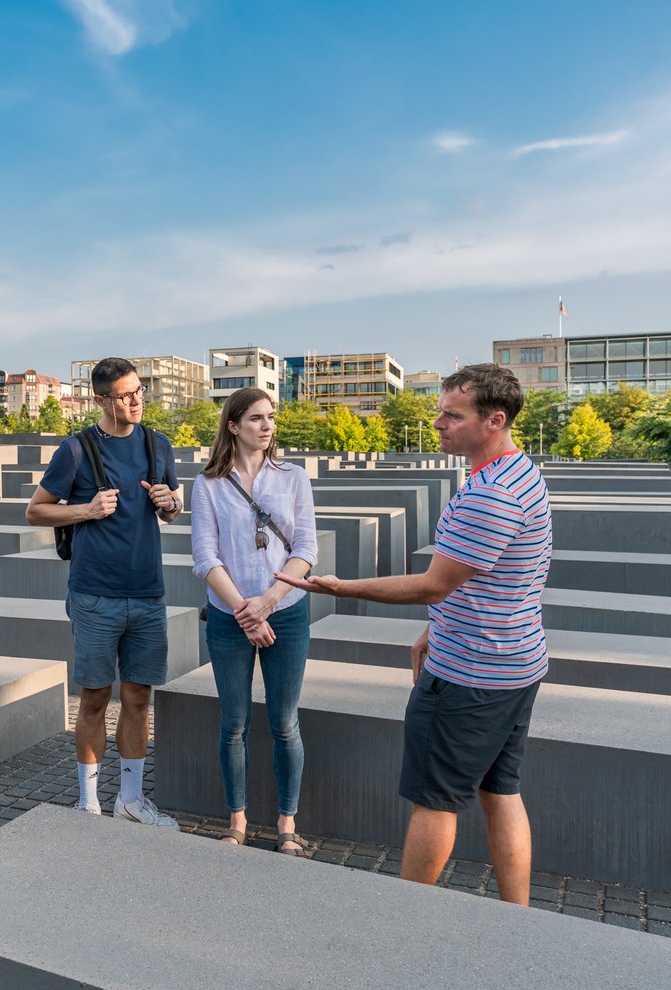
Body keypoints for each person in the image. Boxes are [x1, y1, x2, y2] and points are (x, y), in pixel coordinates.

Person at [276, 363, 551, 904]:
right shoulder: (520, 473)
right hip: (515, 663)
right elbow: (481, 580)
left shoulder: (488, 495)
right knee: (501, 791)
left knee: (435, 800)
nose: (437, 423)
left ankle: (405, 921)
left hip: (470, 676)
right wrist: (437, 628)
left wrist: (340, 587)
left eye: (452, 415)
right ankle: (520, 918)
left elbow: (433, 585)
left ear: (494, 420)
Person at [25, 357, 183, 825]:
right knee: (94, 699)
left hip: (148, 594)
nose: (136, 400)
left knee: (139, 698)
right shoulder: (75, 451)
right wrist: (87, 510)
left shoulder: (159, 444)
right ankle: (88, 803)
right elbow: (36, 512)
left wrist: (171, 503)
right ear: (100, 400)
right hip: (95, 595)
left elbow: (173, 507)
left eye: (139, 391)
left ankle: (130, 801)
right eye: (125, 395)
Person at [189, 387, 317, 854]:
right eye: (257, 419)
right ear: (233, 425)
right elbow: (205, 557)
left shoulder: (293, 477)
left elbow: (306, 549)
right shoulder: (208, 484)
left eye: (271, 418)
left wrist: (267, 601)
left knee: (285, 722)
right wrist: (247, 612)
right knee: (235, 723)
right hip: (228, 618)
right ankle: (237, 821)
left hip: (286, 611)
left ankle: (287, 824)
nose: (268, 427)